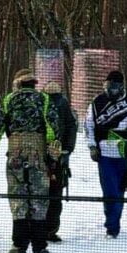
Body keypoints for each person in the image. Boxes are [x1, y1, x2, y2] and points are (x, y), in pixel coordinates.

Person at [0, 69, 61, 253]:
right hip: (38, 154)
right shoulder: (44, 99)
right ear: (34, 84)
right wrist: (53, 156)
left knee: (17, 198)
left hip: (15, 154)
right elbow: (53, 129)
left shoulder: (9, 100)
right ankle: (39, 245)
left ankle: (19, 244)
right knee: (39, 198)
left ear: (18, 84)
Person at [85, 70, 127, 239]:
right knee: (109, 191)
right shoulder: (96, 103)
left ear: (121, 87)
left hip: (124, 153)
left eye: (114, 86)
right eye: (108, 85)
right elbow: (88, 126)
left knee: (120, 190)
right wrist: (92, 147)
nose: (111, 89)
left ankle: (114, 224)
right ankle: (111, 226)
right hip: (104, 154)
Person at [42, 81, 78, 242]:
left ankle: (42, 230)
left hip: (43, 155)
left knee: (42, 194)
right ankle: (51, 230)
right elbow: (72, 127)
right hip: (59, 156)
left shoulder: (40, 103)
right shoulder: (63, 103)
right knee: (55, 194)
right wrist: (67, 149)